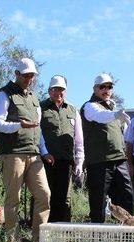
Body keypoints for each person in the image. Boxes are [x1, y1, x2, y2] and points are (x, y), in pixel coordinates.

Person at [0, 57, 50, 242]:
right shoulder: (4, 94)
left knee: (44, 195)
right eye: (25, 76)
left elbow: (38, 128)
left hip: (34, 155)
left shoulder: (34, 98)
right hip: (13, 154)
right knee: (13, 199)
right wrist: (19, 125)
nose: (29, 79)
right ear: (17, 74)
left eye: (32, 76)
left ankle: (38, 241)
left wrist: (45, 150)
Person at [80, 73, 134, 223]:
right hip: (99, 161)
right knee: (99, 200)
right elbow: (101, 116)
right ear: (95, 89)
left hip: (119, 159)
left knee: (127, 195)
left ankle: (129, 233)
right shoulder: (90, 106)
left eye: (109, 87)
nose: (106, 90)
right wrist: (116, 114)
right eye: (102, 87)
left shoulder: (112, 107)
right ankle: (97, 236)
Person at [39, 75, 84, 222]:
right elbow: (37, 133)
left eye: (62, 89)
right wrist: (44, 153)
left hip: (66, 161)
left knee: (64, 196)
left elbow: (79, 138)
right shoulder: (40, 107)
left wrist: (79, 160)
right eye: (56, 89)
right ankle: (43, 228)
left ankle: (62, 229)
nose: (59, 92)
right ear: (49, 91)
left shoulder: (72, 110)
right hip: (46, 159)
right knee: (45, 195)